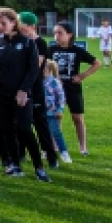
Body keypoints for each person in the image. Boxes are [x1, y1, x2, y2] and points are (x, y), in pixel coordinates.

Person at [0, 7, 49, 181]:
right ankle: (15, 165)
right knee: (6, 130)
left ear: (13, 22)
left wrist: (23, 90)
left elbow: (33, 69)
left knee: (24, 129)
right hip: (1, 94)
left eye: (3, 23)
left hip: (21, 93)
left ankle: (39, 167)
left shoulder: (28, 43)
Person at [47, 21, 101, 156]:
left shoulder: (77, 50)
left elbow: (96, 63)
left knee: (77, 118)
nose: (56, 36)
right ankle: (54, 146)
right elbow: (44, 65)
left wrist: (82, 76)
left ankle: (83, 147)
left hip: (73, 88)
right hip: (55, 90)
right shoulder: (51, 50)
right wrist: (54, 78)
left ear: (70, 34)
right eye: (55, 33)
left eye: (60, 33)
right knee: (55, 117)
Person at [18, 12, 59, 169]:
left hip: (35, 88)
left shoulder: (40, 43)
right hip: (20, 87)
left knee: (40, 123)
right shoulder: (19, 41)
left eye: (22, 26)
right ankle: (20, 153)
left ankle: (51, 156)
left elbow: (35, 65)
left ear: (31, 26)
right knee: (20, 123)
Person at [43, 60, 72, 163]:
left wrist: (60, 109)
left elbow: (61, 97)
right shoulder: (38, 81)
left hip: (52, 112)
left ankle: (64, 152)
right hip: (41, 112)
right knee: (43, 133)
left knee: (56, 132)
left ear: (49, 70)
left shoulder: (54, 82)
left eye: (44, 68)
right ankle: (46, 151)